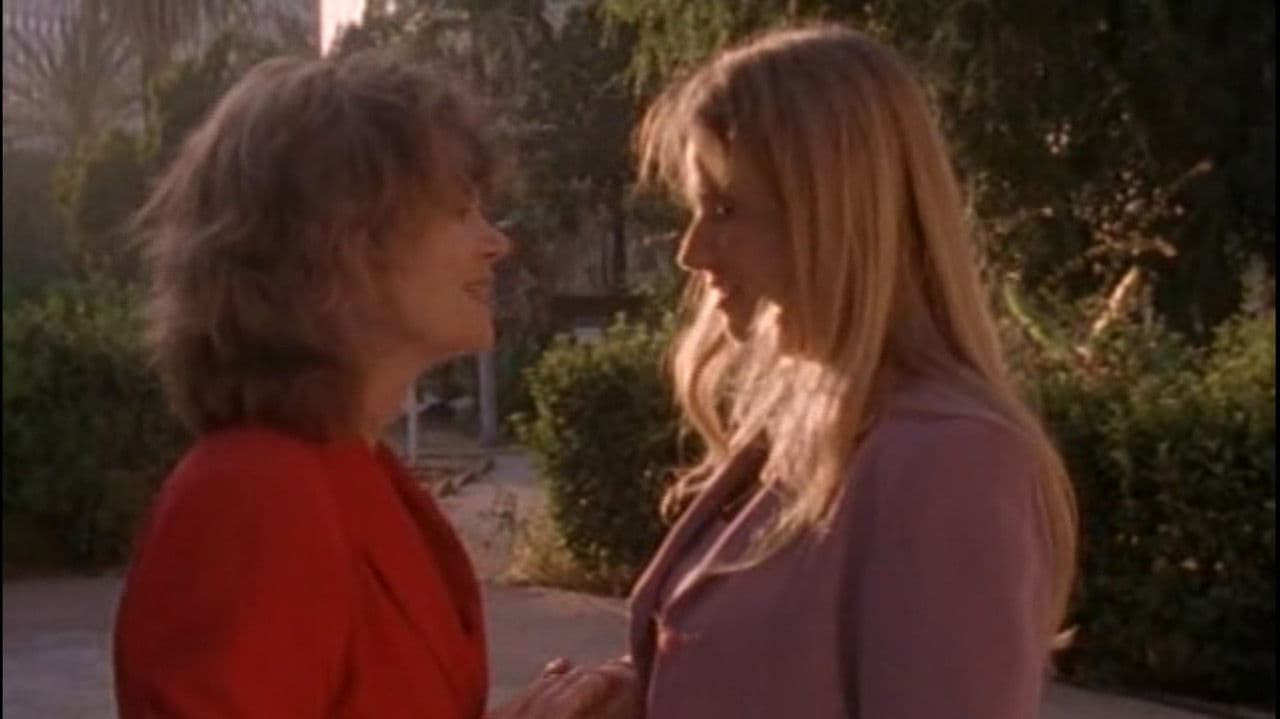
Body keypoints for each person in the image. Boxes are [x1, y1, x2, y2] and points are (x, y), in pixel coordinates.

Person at [113, 51, 623, 718]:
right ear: (343, 240)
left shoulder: (357, 473)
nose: (496, 243)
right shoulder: (251, 494)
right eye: (459, 210)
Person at [619, 23, 1079, 718]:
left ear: (834, 215)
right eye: (696, 209)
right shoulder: (807, 425)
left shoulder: (951, 460)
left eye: (726, 209)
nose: (692, 251)